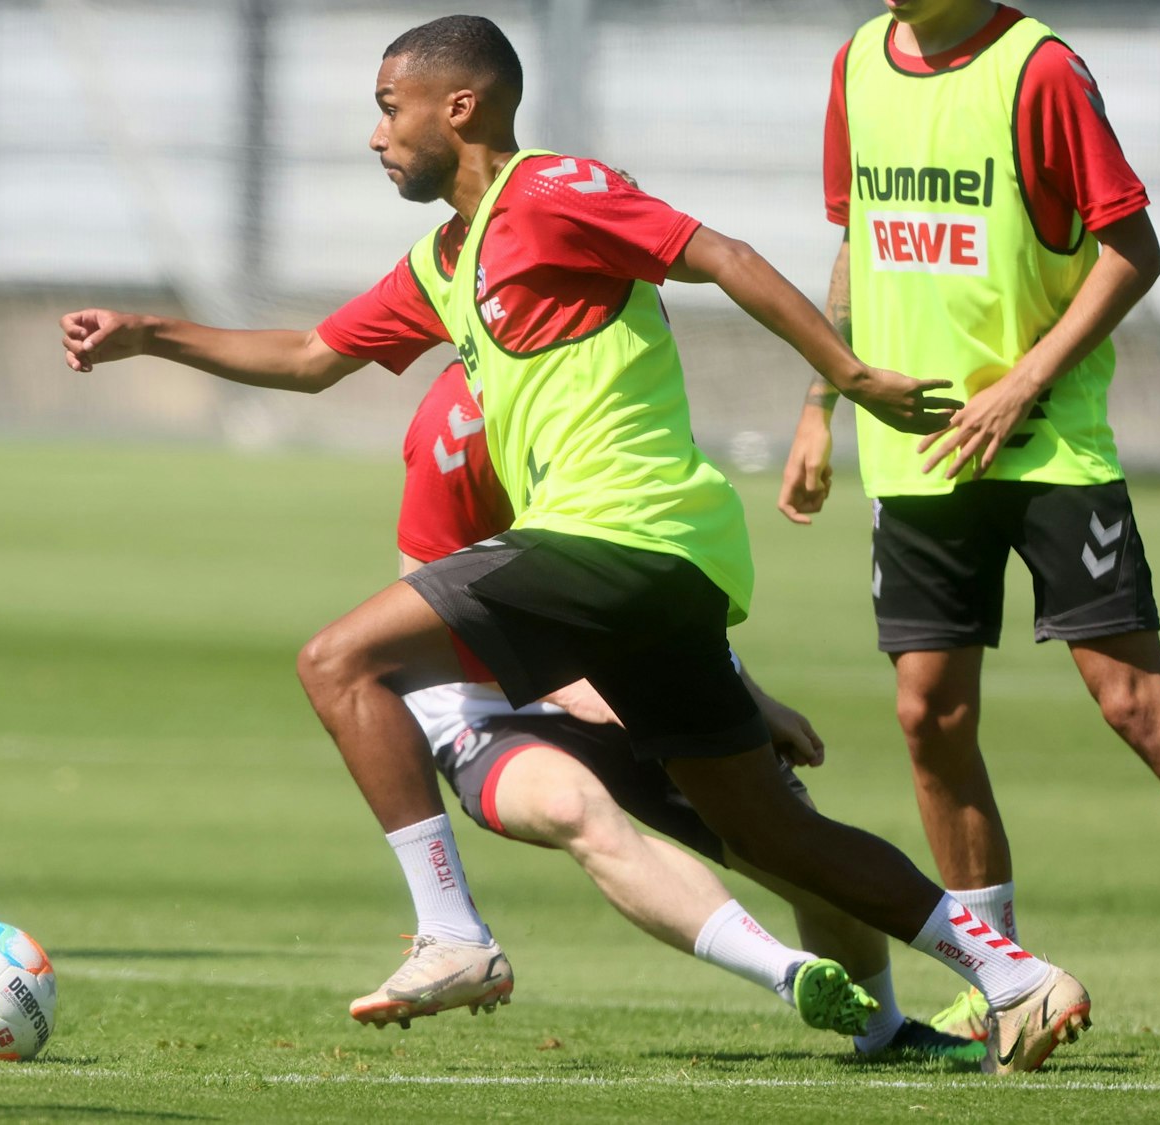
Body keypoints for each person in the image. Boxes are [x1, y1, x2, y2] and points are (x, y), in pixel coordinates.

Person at [62, 14, 1088, 1074]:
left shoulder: (552, 192)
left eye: (388, 109)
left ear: (459, 107)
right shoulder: (445, 259)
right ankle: (1014, 976)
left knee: (338, 661)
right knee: (769, 832)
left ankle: (451, 934)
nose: (375, 135)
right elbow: (310, 355)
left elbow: (722, 255)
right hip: (658, 564)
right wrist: (150, 335)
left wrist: (850, 375)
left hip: (615, 533)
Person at [777, 0, 1160, 1056]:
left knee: (1136, 703)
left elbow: (1132, 249)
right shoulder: (857, 64)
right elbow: (856, 240)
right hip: (917, 454)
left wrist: (1021, 383)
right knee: (930, 717)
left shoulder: (1039, 68)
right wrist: (820, 402)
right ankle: (1000, 979)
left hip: (1048, 446)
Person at [396, 362, 981, 1063]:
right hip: (485, 704)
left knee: (792, 840)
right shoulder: (454, 427)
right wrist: (567, 688)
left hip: (625, 666)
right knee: (572, 808)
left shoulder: (618, 401)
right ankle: (787, 971)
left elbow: (666, 584)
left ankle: (883, 1032)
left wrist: (749, 695)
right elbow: (423, 607)